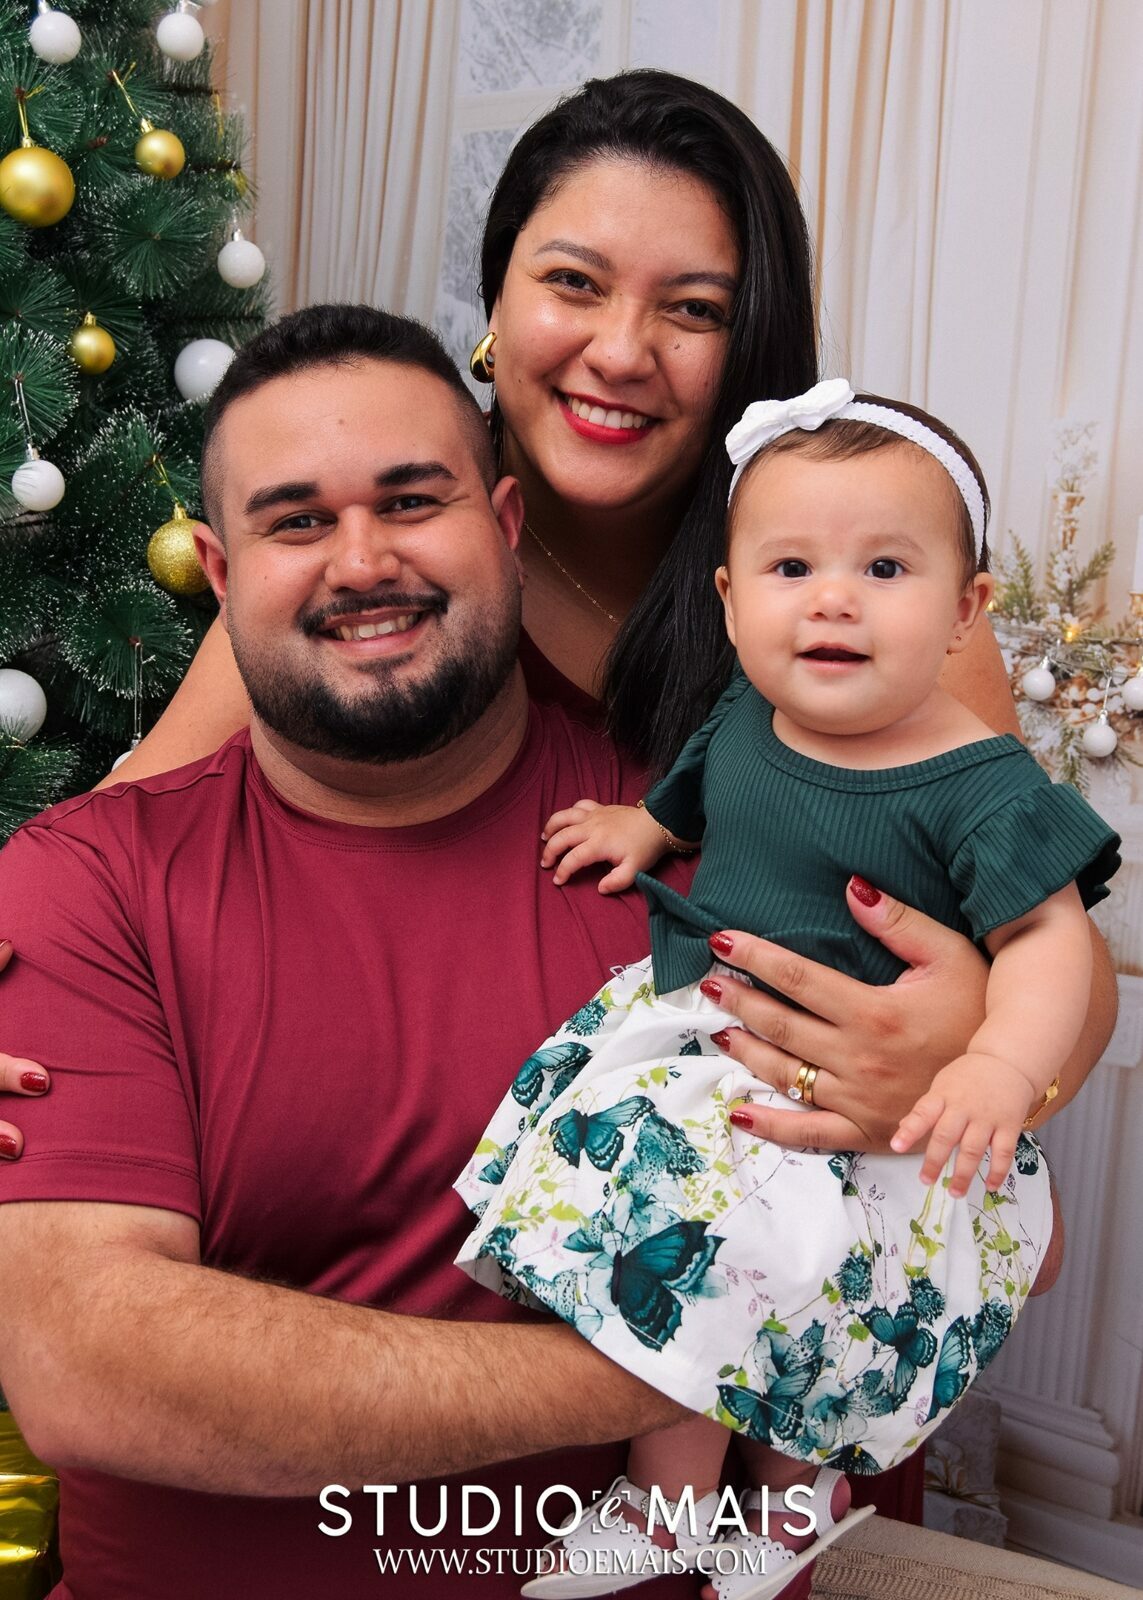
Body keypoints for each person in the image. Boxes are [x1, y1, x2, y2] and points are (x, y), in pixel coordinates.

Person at [0, 68, 1115, 1528]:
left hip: (813, 1198)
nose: (619, 351)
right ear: (496, 299)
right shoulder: (382, 577)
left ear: (750, 345)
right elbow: (118, 849)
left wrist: (972, 1055)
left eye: (692, 309)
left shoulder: (846, 581)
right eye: (572, 283)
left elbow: (1041, 932)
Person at [0, 305, 700, 1600]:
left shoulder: (696, 853)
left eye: (411, 501)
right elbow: (86, 1368)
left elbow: (950, 1208)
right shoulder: (88, 887)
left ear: (503, 525)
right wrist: (664, 1369)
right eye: (297, 521)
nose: (362, 560)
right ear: (221, 575)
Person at [454, 383, 1119, 1600]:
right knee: (689, 1261)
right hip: (724, 1041)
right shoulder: (756, 707)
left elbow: (1047, 940)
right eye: (792, 567)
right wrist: (646, 827)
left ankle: (794, 1495)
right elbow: (702, 775)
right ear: (730, 599)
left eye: (884, 568)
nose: (832, 599)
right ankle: (666, 1504)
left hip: (867, 1092)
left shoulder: (981, 780)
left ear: (966, 610)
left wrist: (1000, 1063)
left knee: (820, 1299)